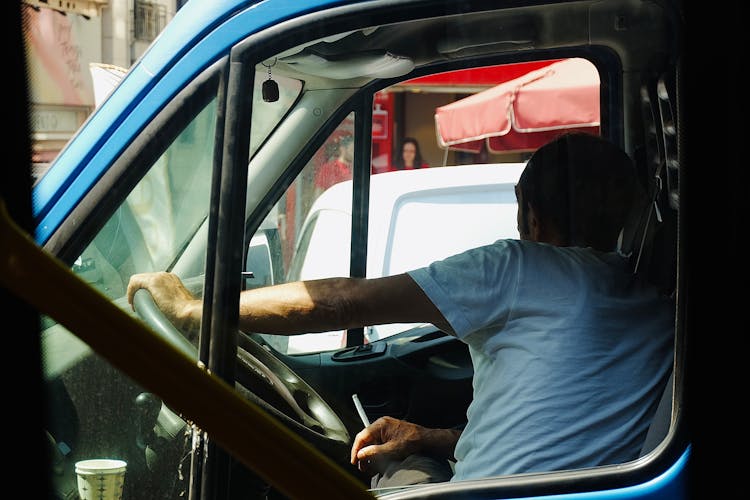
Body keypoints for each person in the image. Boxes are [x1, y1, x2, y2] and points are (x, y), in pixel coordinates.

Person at [126, 132, 674, 487]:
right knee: (407, 461)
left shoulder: (520, 268)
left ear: (531, 217)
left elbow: (341, 301)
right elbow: (558, 439)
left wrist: (196, 309)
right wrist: (428, 438)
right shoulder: (653, 308)